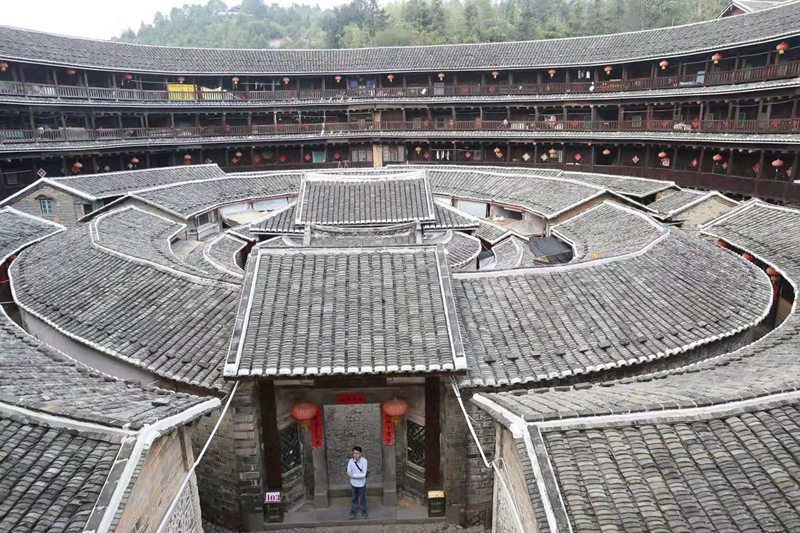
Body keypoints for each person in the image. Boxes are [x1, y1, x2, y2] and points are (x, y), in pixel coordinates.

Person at [347, 446, 368, 519]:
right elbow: (348, 472)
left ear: (360, 454)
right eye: (354, 453)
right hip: (353, 483)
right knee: (354, 498)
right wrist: (356, 475)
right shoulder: (350, 461)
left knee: (362, 499)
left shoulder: (364, 461)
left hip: (362, 484)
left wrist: (353, 475)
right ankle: (353, 511)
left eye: (357, 453)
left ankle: (364, 512)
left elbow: (363, 475)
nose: (355, 455)